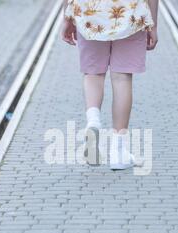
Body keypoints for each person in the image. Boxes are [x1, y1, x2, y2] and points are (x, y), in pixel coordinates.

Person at [61, 0, 159, 169]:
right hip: (130, 14)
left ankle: (93, 121)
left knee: (93, 74)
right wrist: (153, 25)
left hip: (90, 13)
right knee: (122, 78)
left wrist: (67, 18)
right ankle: (118, 153)